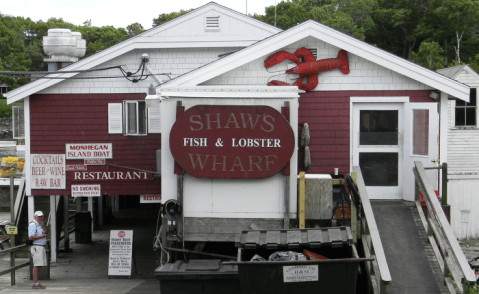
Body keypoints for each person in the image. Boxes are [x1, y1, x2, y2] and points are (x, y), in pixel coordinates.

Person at [28, 211, 48, 290]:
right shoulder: (33, 224)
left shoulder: (39, 224)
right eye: (39, 216)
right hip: (36, 247)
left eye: (42, 216)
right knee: (36, 265)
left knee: (39, 265)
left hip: (41, 246)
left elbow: (46, 233)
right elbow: (31, 237)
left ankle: (36, 283)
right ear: (35, 217)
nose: (41, 218)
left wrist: (43, 226)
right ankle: (35, 283)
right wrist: (42, 236)